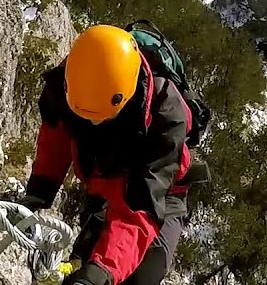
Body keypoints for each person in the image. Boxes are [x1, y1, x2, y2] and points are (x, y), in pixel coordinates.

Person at [15, 24, 206, 285]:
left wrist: (103, 271)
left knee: (138, 277)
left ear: (125, 97)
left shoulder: (165, 116)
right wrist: (39, 192)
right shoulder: (71, 78)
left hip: (158, 193)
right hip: (102, 182)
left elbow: (140, 209)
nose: (93, 125)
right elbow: (55, 136)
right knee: (82, 266)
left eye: (100, 119)